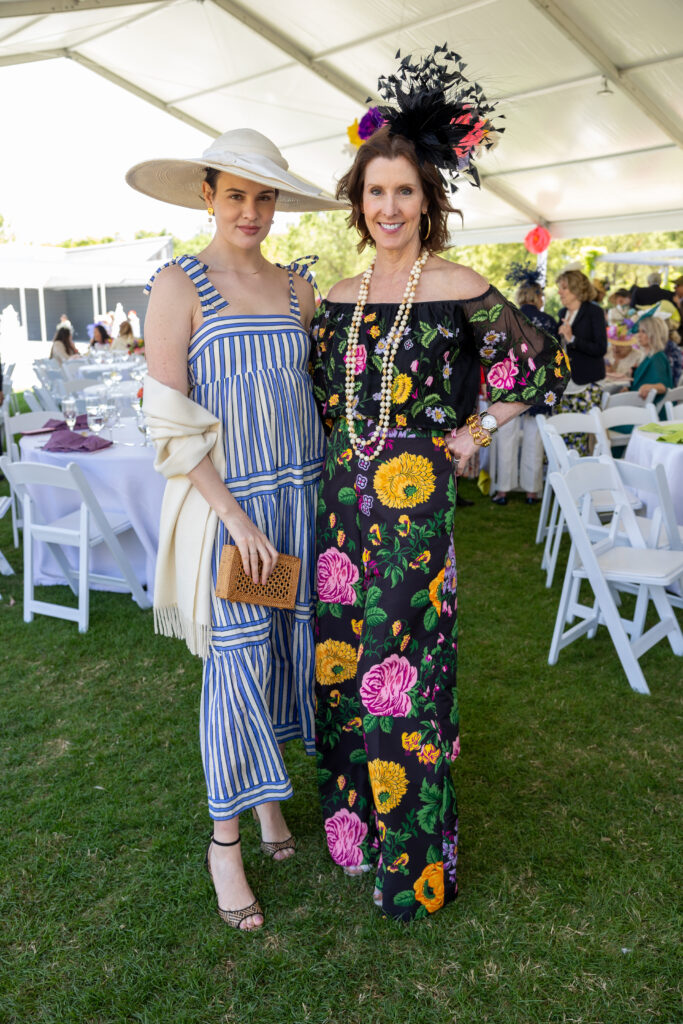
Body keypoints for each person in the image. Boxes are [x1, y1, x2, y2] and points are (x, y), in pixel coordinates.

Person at [310, 48, 569, 922]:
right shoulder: (338, 295)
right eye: (375, 193)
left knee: (404, 678)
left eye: (405, 193)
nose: (389, 208)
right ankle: (355, 834)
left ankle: (413, 862)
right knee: (345, 675)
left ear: (429, 202)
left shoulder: (459, 288)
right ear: (358, 203)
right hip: (340, 511)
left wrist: (476, 430)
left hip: (415, 516)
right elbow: (325, 399)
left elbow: (542, 365)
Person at [126, 128, 343, 931]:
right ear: (206, 195)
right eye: (235, 194)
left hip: (301, 504)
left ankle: (270, 807)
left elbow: (315, 400)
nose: (250, 210)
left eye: (263, 195)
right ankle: (226, 842)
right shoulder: (178, 284)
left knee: (290, 659)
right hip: (235, 517)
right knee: (238, 672)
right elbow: (166, 420)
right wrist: (232, 517)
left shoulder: (298, 289)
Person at [490, 262, 559, 505]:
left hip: (511, 384)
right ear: (538, 296)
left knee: (506, 436)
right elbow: (556, 359)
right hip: (539, 386)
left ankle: (503, 491)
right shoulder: (549, 322)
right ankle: (531, 491)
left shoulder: (507, 317)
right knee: (534, 437)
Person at [555, 268, 607, 454]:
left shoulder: (594, 312)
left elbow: (601, 348)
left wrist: (573, 339)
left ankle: (584, 476)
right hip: (564, 384)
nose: (560, 292)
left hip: (587, 383)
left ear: (576, 289)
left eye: (564, 288)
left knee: (583, 436)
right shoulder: (562, 312)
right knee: (564, 433)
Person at [628, 313, 673, 399]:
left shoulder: (657, 357)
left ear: (654, 334)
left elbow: (662, 387)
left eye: (643, 332)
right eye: (639, 331)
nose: (639, 335)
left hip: (652, 408)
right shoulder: (649, 356)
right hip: (642, 403)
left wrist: (648, 387)